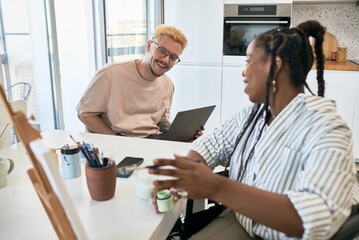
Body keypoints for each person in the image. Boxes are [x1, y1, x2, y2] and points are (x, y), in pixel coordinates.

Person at [149, 20, 359, 239]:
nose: (243, 72)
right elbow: (212, 143)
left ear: (274, 67)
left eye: (248, 60)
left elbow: (310, 219)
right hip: (242, 221)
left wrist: (217, 187)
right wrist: (185, 175)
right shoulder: (256, 113)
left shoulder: (327, 128)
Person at [76, 25, 191, 138]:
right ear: (149, 46)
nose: (166, 60)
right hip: (114, 142)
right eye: (162, 51)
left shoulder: (168, 85)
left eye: (173, 57)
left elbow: (161, 122)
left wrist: (184, 133)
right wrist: (116, 139)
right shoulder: (110, 74)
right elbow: (85, 113)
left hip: (150, 141)